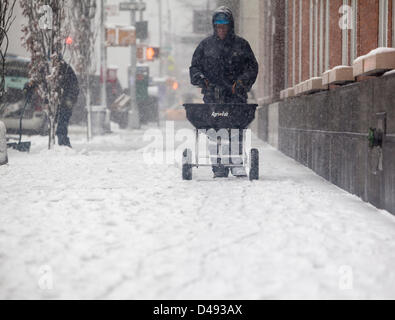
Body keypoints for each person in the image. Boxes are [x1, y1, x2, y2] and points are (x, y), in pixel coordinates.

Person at [189, 6, 258, 178]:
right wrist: (201, 79)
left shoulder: (241, 45)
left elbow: (252, 67)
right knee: (214, 132)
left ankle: (236, 163)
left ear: (230, 26)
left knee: (234, 130)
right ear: (214, 26)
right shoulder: (205, 46)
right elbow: (194, 68)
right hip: (213, 96)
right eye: (218, 26)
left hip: (236, 96)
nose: (221, 30)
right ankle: (218, 165)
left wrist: (241, 82)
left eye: (224, 26)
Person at [56, 60, 79, 148]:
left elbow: (74, 85)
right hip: (62, 100)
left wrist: (69, 99)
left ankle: (63, 143)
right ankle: (63, 142)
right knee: (62, 123)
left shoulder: (65, 69)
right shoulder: (64, 69)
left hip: (65, 101)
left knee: (62, 123)